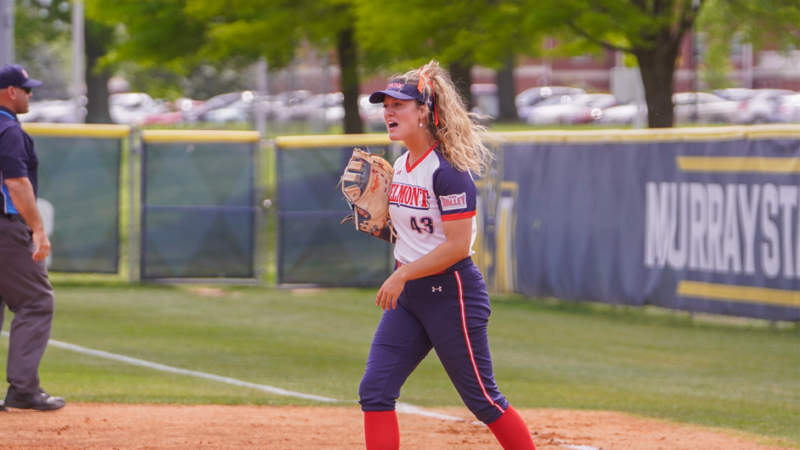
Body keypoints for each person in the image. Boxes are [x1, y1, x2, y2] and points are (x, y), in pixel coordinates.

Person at [358, 60, 536, 450]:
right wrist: (380, 226)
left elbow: (456, 246)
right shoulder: (401, 165)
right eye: (385, 105)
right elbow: (417, 236)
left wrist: (401, 275)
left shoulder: (448, 171)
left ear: (424, 111)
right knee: (375, 391)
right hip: (410, 300)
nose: (388, 112)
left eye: (398, 105)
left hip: (451, 295)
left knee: (484, 401)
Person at [0, 64, 65, 411]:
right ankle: (24, 390)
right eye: (26, 89)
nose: (30, 94)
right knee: (35, 303)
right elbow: (16, 182)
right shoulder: (9, 130)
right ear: (11, 91)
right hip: (6, 229)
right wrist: (38, 229)